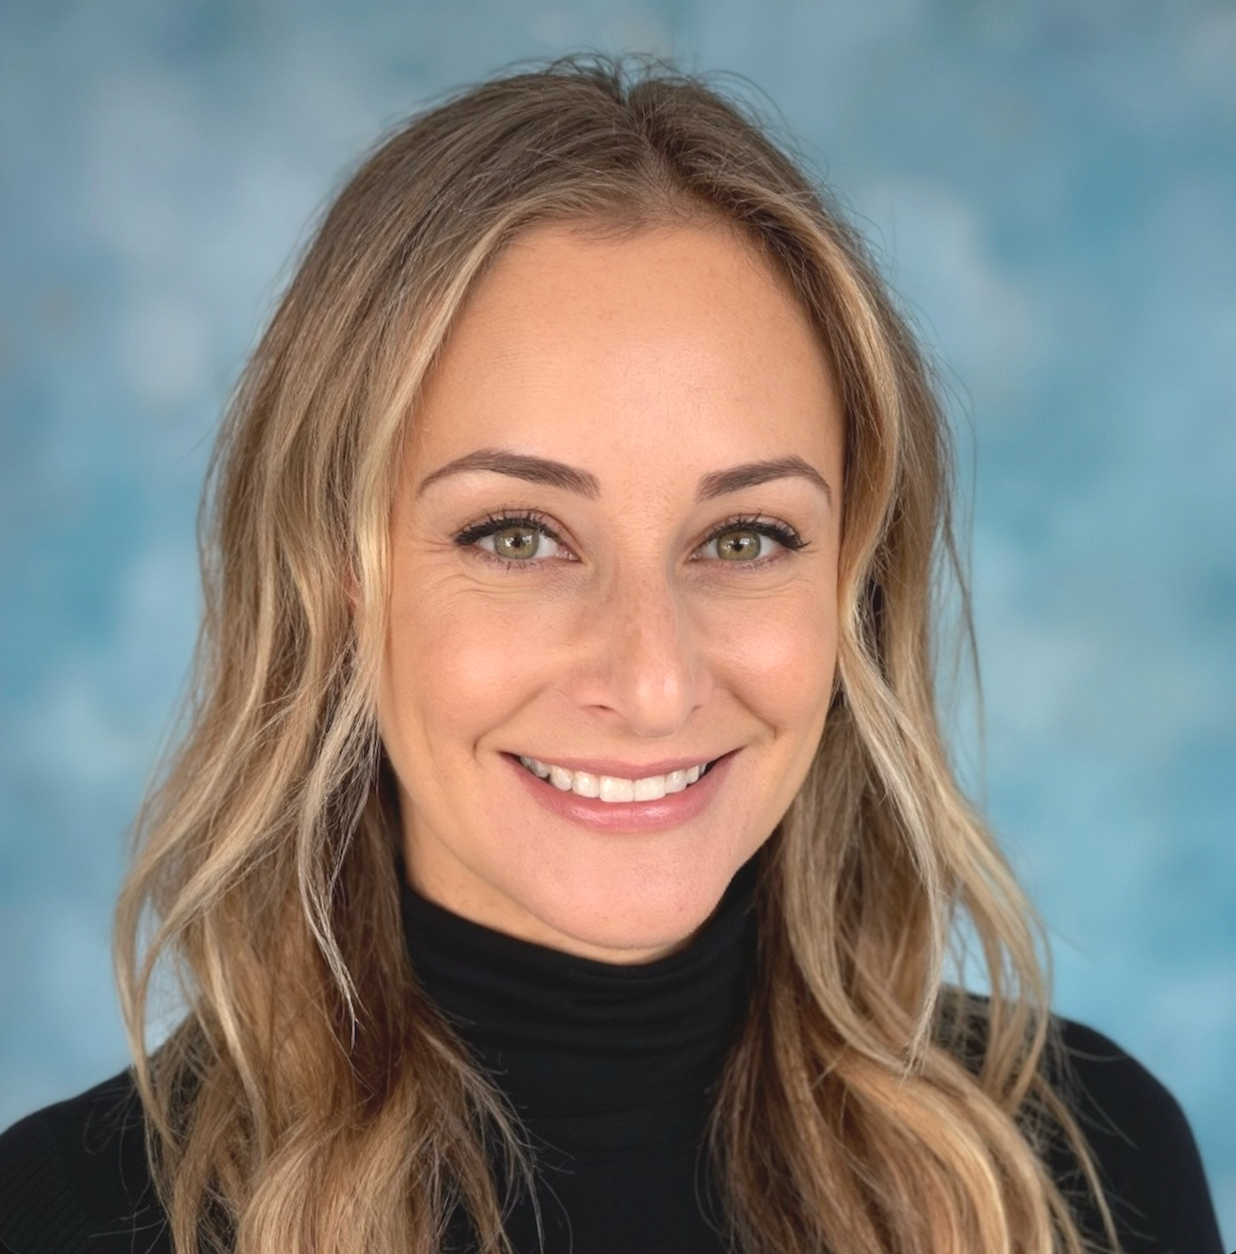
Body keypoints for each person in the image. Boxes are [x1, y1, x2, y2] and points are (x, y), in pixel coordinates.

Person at [0, 53, 1223, 1254]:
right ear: (337, 584)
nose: (653, 683)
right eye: (517, 536)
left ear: (855, 582)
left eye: (744, 537)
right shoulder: (68, 1217)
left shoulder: (1089, 1166)